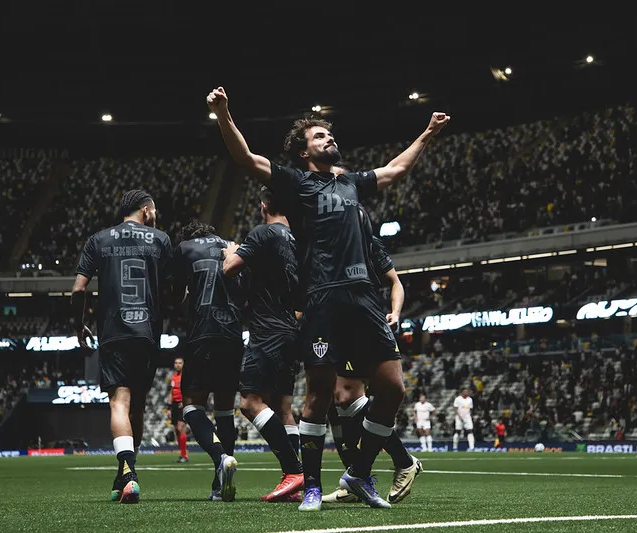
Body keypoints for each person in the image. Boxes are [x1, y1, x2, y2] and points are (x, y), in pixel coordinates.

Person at [208, 85, 449, 511]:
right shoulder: (296, 182)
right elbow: (246, 159)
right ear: (304, 151)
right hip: (322, 298)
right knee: (319, 395)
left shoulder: (352, 182)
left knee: (393, 389)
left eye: (329, 134)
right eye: (319, 136)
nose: (329, 138)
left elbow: (395, 169)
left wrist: (427, 133)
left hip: (364, 298)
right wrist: (225, 114)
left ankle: (358, 473)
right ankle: (313, 486)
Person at [72, 189, 173, 504]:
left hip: (113, 332)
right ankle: (125, 471)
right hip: (147, 333)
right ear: (146, 210)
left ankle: (128, 474)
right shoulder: (161, 239)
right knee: (138, 405)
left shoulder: (98, 240)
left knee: (119, 403)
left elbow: (78, 289)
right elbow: (173, 289)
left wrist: (78, 325)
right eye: (154, 211)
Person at [323, 203, 421, 505]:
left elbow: (395, 282)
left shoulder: (368, 244)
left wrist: (395, 312)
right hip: (339, 327)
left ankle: (397, 463)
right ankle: (359, 477)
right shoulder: (325, 243)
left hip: (368, 324)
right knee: (338, 400)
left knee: (381, 392)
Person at [221, 186, 305, 503]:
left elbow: (229, 269)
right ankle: (296, 483)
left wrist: (231, 253)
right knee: (283, 407)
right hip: (291, 329)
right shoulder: (297, 240)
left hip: (267, 330)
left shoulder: (262, 233)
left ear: (264, 206)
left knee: (249, 401)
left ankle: (293, 470)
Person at [172, 219, 243, 501]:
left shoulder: (185, 248)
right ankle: (219, 485)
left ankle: (220, 456)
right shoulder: (233, 247)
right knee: (225, 409)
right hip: (233, 333)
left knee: (191, 404)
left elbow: (176, 295)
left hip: (203, 332)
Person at [169, 357, 189, 463]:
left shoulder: (186, 376)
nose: (177, 365)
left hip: (182, 404)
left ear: (183, 364)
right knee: (176, 429)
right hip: (174, 405)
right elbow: (171, 391)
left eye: (180, 363)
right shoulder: (173, 377)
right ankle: (182, 454)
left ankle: (184, 455)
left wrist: (185, 402)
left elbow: (188, 390)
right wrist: (169, 407)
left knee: (181, 427)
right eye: (176, 363)